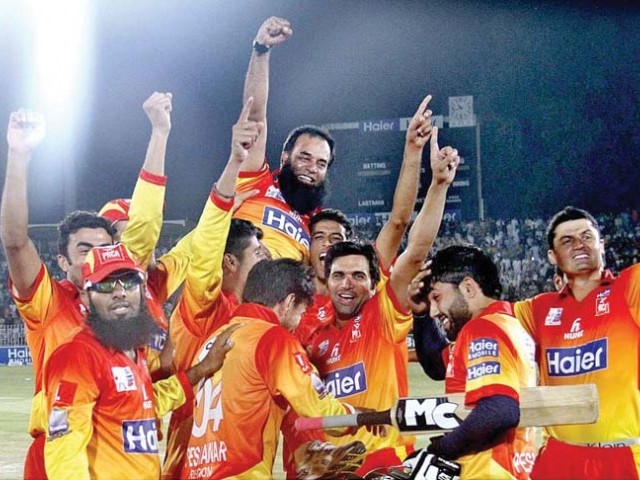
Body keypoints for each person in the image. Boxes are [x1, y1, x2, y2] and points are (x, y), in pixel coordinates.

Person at [299, 127, 460, 475]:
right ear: (327, 279)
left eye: (359, 276)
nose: (348, 285)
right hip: (328, 467)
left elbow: (414, 247)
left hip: (383, 465)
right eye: (339, 275)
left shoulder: (381, 314)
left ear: (375, 284)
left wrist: (438, 185)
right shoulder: (310, 333)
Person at [42, 243, 238, 479]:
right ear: (85, 295)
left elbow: (143, 403)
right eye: (105, 285)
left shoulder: (132, 349)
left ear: (142, 289)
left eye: (129, 282)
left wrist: (202, 369)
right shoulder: (78, 355)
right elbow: (65, 448)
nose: (119, 292)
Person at [1, 109, 116, 479]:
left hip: (116, 451)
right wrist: (20, 155)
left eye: (104, 247)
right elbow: (17, 243)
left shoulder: (128, 309)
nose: (97, 255)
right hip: (57, 450)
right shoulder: (51, 304)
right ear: (63, 262)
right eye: (85, 249)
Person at [161, 97, 271, 478]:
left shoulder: (256, 316)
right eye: (258, 252)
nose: (266, 258)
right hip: (190, 460)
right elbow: (207, 244)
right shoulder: (204, 303)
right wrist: (235, 164)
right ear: (230, 263)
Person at [179, 258, 361, 479]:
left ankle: (310, 451)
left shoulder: (216, 338)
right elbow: (317, 406)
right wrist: (353, 416)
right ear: (288, 302)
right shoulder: (272, 339)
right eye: (301, 313)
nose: (298, 323)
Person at [513, 206, 640, 480]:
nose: (580, 245)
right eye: (567, 241)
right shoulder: (538, 310)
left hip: (623, 458)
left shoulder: (630, 288)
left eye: (587, 237)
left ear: (602, 245)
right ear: (552, 256)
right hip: (559, 456)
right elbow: (490, 322)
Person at [410, 245, 537, 480]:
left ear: (468, 288)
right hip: (509, 467)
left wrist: (440, 450)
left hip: (487, 471)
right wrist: (420, 314)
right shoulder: (504, 323)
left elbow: (500, 409)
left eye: (437, 297)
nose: (434, 311)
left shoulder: (482, 328)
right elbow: (438, 366)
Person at [233, 16, 335, 261]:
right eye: (304, 157)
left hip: (286, 296)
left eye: (321, 164)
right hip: (234, 290)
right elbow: (256, 118)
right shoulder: (257, 182)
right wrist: (261, 50)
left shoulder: (318, 225)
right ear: (285, 156)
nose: (312, 168)